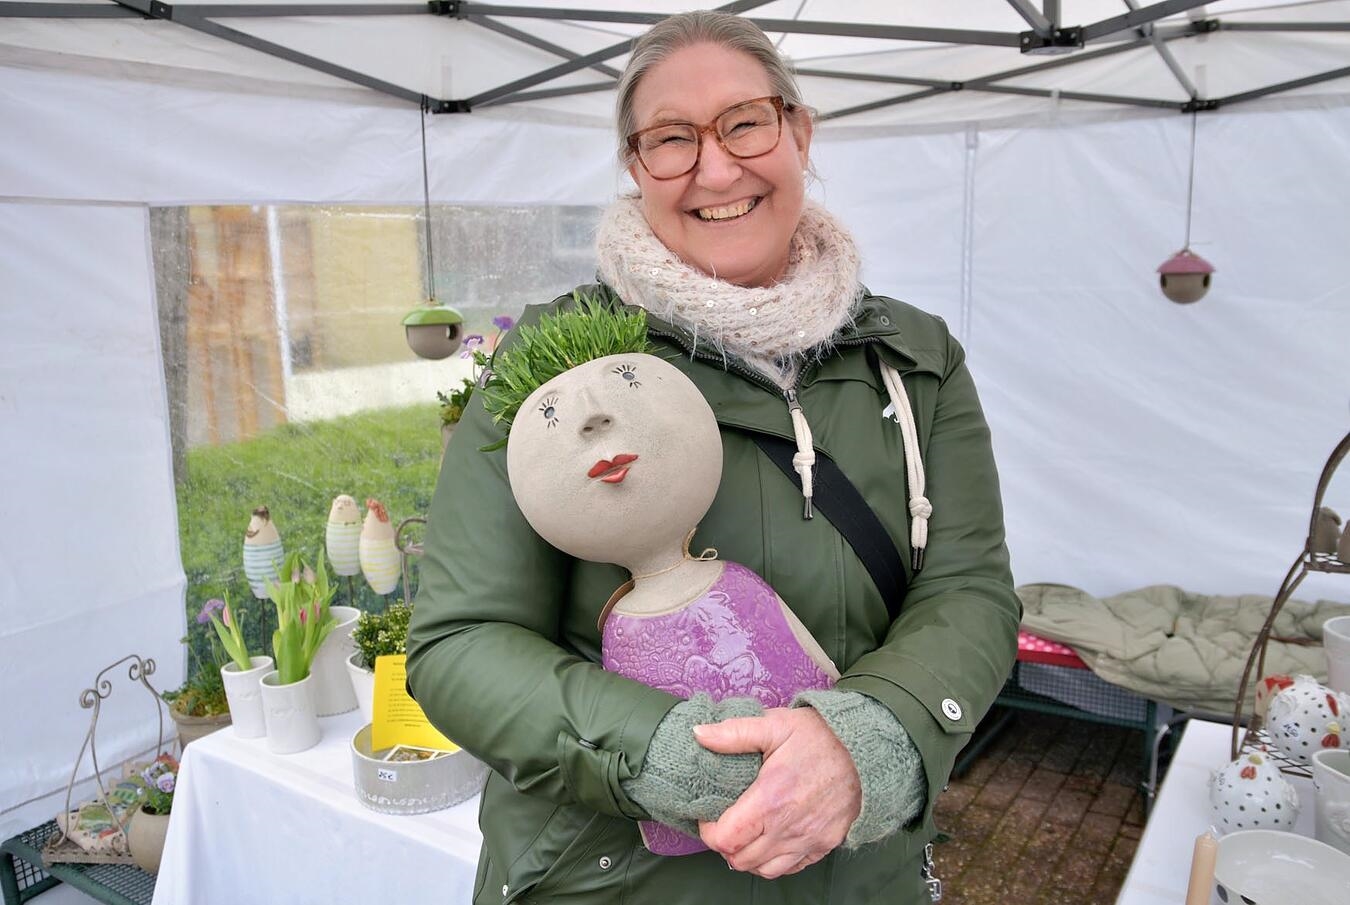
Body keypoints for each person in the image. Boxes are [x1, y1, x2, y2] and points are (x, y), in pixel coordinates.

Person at [406, 10, 1019, 904]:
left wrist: (870, 738)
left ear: (799, 131)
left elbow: (969, 588)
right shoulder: (560, 363)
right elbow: (460, 642)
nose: (718, 168)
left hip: (856, 873)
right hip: (612, 878)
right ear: (633, 164)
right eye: (671, 140)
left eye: (745, 123)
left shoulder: (913, 361)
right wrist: (662, 750)